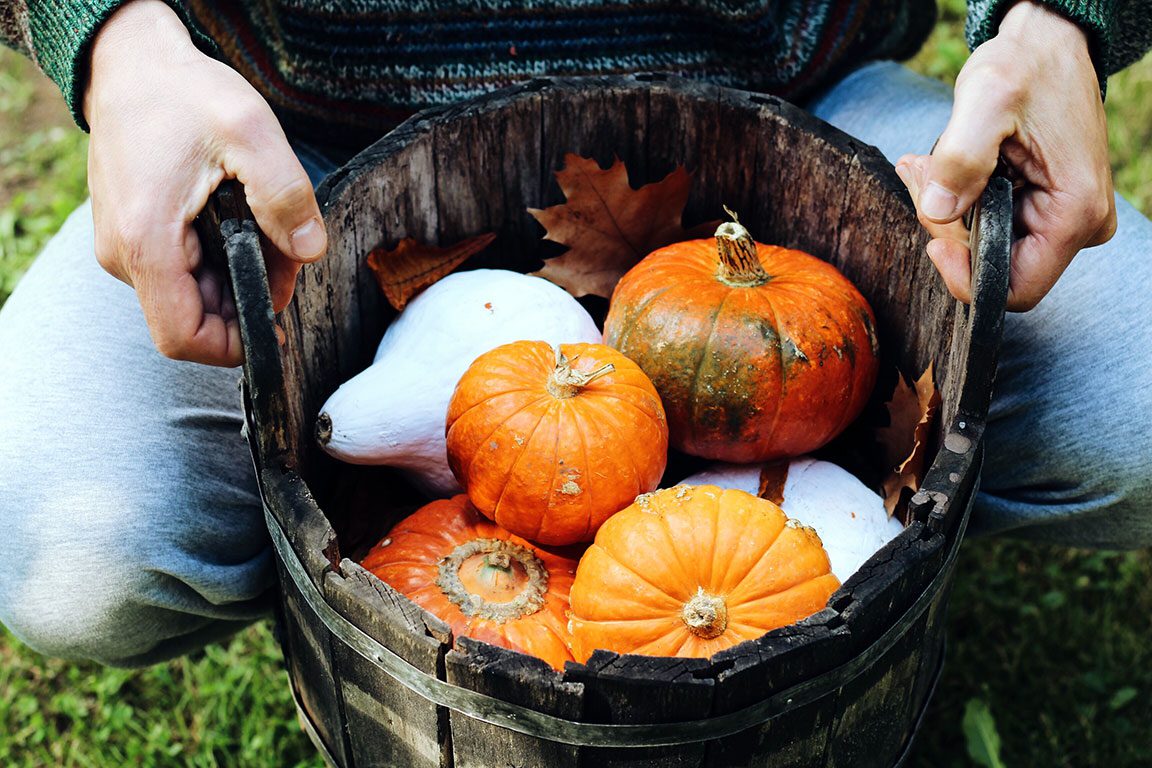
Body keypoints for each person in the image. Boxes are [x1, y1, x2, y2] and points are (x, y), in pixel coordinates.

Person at [0, 0, 1148, 666]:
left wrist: (1057, 22)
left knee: (1132, 412)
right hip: (293, 144)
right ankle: (352, 614)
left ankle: (870, 577)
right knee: (68, 552)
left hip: (802, 112)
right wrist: (120, 43)